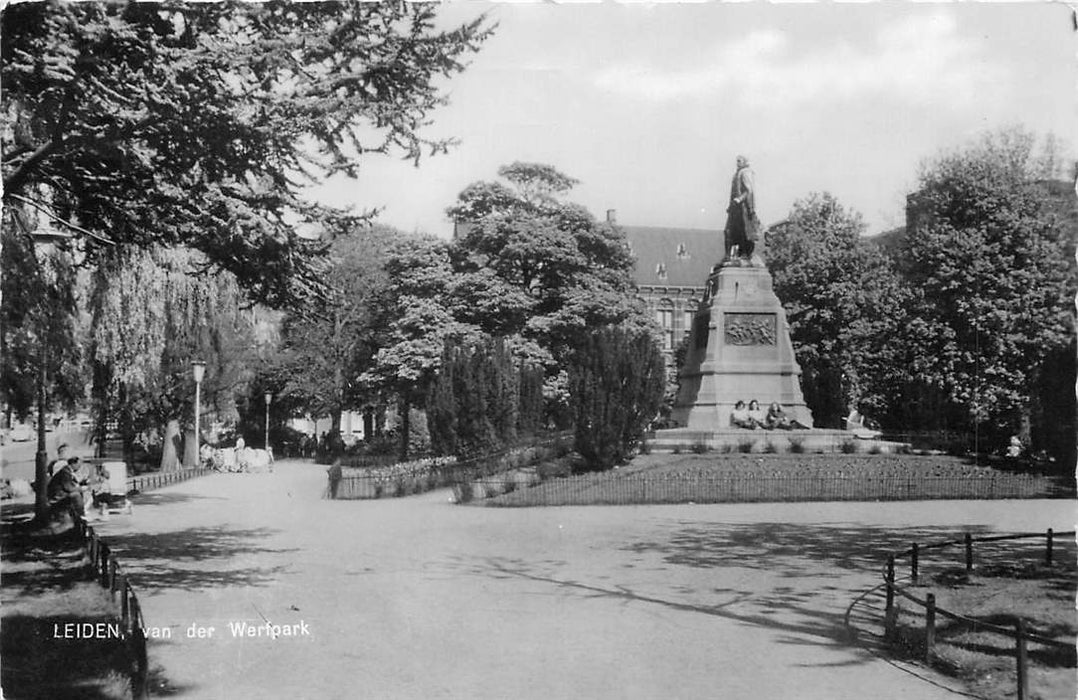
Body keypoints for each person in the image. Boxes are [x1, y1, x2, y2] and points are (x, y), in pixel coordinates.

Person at [723, 155, 761, 265]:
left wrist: (739, 199)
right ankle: (728, 257)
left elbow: (749, 190)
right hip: (735, 209)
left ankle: (744, 254)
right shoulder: (737, 174)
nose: (737, 163)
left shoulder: (745, 172)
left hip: (743, 209)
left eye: (739, 161)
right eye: (737, 161)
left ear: (744, 161)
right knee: (728, 232)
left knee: (743, 233)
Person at [46, 456, 87, 521]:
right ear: (73, 464)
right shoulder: (65, 472)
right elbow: (68, 488)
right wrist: (81, 488)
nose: (79, 468)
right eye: (78, 465)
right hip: (57, 496)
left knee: (78, 492)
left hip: (59, 493)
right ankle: (81, 515)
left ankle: (79, 513)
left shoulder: (66, 471)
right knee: (76, 495)